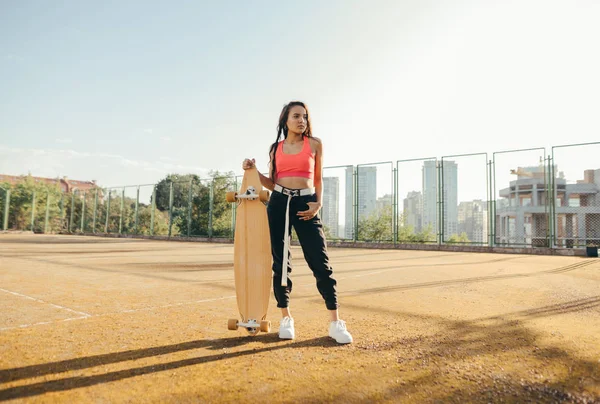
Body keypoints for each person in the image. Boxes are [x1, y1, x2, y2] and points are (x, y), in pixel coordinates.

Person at [242, 101, 353, 344]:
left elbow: (318, 179)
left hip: (307, 205)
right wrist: (253, 171)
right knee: (281, 263)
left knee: (320, 262)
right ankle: (286, 318)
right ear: (285, 120)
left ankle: (335, 322)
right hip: (279, 204)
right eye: (296, 116)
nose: (301, 120)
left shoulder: (314, 144)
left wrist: (318, 204)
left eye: (304, 117)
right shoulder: (276, 148)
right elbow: (271, 183)